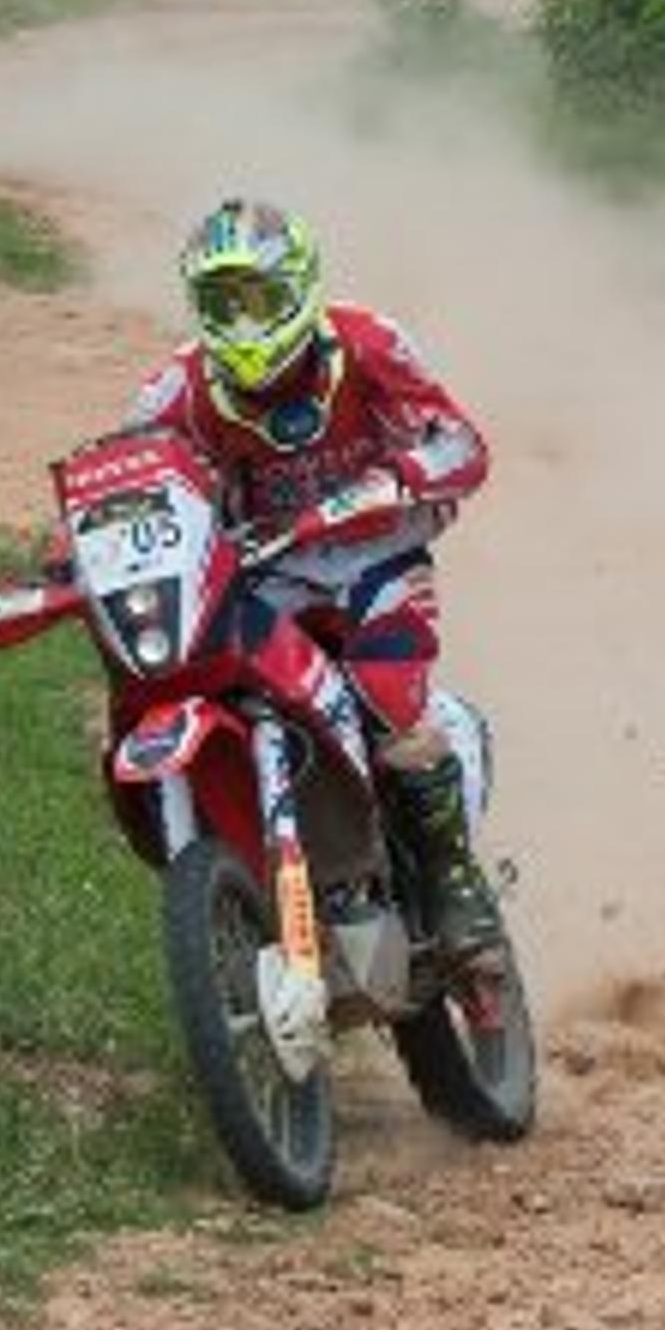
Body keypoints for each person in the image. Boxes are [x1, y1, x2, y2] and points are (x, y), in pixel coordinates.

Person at [119, 195, 502, 950]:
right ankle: (254, 882)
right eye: (221, 302)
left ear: (298, 285)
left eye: (257, 297)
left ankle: (456, 887)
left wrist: (378, 488)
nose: (243, 321)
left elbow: (462, 443)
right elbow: (130, 489)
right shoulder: (177, 389)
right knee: (220, 679)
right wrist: (73, 558)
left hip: (376, 552)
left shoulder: (368, 342)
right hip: (267, 572)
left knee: (389, 697)